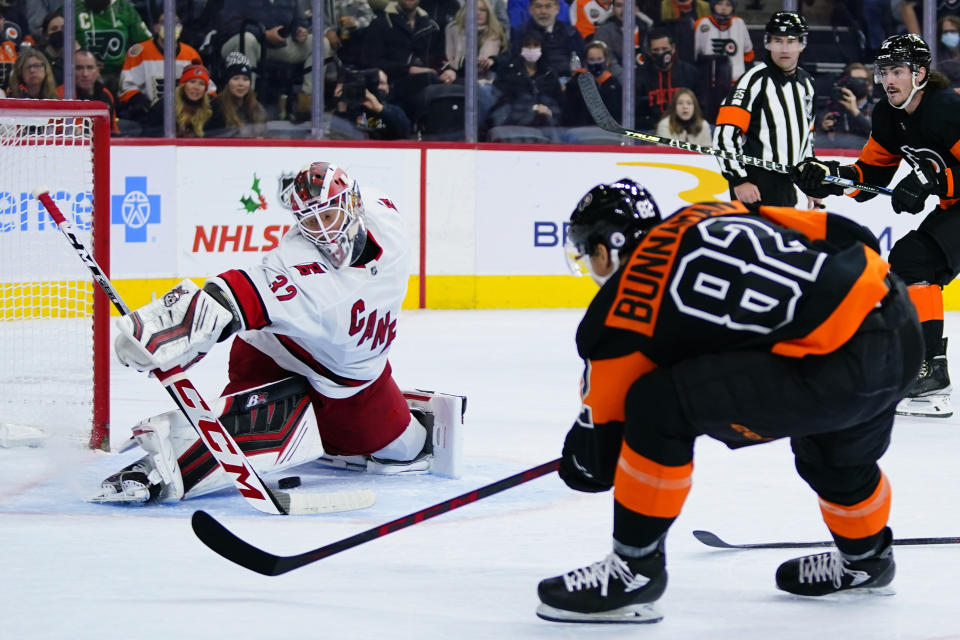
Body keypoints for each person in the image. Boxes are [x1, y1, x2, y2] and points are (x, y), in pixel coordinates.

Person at [536, 179, 922, 623]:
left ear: (606, 248)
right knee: (833, 458)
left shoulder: (618, 312)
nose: (591, 263)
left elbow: (596, 465)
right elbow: (848, 233)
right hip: (896, 321)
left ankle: (634, 570)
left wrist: (576, 456)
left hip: (837, 371)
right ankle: (867, 560)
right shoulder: (706, 213)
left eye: (589, 251)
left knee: (657, 405)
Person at [92, 162, 464, 504]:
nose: (323, 231)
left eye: (330, 215)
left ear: (353, 204)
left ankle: (339, 429)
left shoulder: (385, 217)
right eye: (310, 221)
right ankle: (159, 470)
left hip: (347, 383)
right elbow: (235, 295)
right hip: (272, 358)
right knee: (248, 431)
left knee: (408, 451)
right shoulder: (300, 265)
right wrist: (159, 331)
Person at [792, 34, 957, 419]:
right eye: (884, 72)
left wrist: (933, 180)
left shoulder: (947, 108)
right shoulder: (888, 115)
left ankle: (929, 371)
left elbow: (942, 175)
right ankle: (928, 372)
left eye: (897, 71)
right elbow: (871, 175)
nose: (888, 81)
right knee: (912, 260)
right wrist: (830, 178)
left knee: (915, 257)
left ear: (919, 72)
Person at [713, 11, 815, 208]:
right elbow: (725, 135)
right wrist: (739, 180)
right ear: (768, 42)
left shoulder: (807, 83)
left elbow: (806, 137)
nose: (784, 48)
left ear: (802, 44)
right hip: (755, 185)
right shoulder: (752, 81)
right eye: (778, 40)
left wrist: (811, 184)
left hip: (787, 184)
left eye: (791, 41)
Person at [116, 12, 214, 127]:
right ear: (156, 28)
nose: (171, 27)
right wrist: (141, 102)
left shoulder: (190, 54)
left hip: (184, 117)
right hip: (149, 118)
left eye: (176, 23)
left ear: (181, 28)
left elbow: (207, 86)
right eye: (165, 23)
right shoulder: (139, 52)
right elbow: (126, 87)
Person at [362, 0, 445, 121]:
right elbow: (370, 61)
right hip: (393, 86)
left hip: (430, 83)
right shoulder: (380, 23)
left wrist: (448, 70)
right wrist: (408, 69)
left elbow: (439, 58)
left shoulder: (431, 25)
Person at [490, 30, 563, 129]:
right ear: (520, 48)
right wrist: (533, 108)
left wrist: (547, 110)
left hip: (547, 119)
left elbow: (557, 100)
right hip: (514, 118)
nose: (531, 49)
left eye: (536, 45)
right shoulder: (508, 71)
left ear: (542, 48)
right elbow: (503, 99)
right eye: (527, 45)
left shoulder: (549, 73)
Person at [75, 0, 152, 93]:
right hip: (85, 75)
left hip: (122, 74)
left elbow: (146, 42)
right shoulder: (73, 8)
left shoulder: (125, 8)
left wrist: (131, 62)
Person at [634, 28, 698, 130]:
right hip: (652, 131)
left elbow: (699, 108)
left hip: (685, 128)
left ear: (673, 48)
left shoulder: (690, 73)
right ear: (649, 52)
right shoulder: (639, 76)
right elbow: (635, 115)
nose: (660, 53)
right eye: (656, 50)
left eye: (664, 49)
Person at [510, 0, 585, 85]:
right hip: (536, 83)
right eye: (538, 7)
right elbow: (515, 61)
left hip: (570, 81)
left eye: (548, 6)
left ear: (557, 8)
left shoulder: (571, 32)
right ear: (530, 9)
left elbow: (582, 59)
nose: (543, 11)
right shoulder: (520, 33)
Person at [331, 68, 413, 140]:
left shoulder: (395, 111)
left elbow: (404, 133)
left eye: (382, 83)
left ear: (388, 88)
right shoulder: (351, 111)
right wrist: (341, 105)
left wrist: (380, 109)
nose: (379, 87)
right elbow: (337, 134)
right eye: (375, 83)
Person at [57, 49, 120, 133]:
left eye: (90, 68)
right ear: (70, 71)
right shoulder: (62, 94)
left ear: (97, 70)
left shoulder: (106, 94)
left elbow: (113, 128)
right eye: (79, 68)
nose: (85, 74)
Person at [207, 52, 268, 138]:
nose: (241, 84)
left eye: (245, 79)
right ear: (227, 82)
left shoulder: (257, 109)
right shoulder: (216, 108)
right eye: (236, 79)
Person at [562, 40, 621, 126]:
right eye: (592, 60)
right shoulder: (575, 84)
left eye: (599, 59)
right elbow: (570, 114)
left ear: (607, 61)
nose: (596, 63)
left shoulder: (614, 84)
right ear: (585, 62)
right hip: (582, 131)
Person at [816, 62, 875, 149]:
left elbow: (879, 136)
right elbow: (817, 140)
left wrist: (855, 111)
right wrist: (823, 128)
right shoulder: (833, 109)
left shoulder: (878, 110)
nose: (857, 84)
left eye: (860, 80)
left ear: (870, 85)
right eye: (853, 80)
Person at [693, 0, 753, 82]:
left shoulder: (739, 23)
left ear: (733, 7)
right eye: (720, 4)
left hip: (736, 80)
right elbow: (694, 54)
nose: (724, 8)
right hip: (709, 81)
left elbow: (748, 52)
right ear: (713, 5)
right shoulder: (701, 23)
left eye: (728, 5)